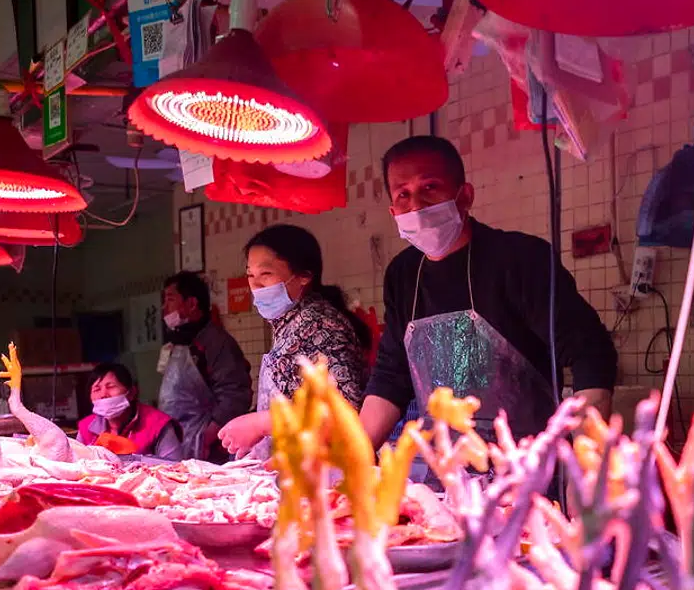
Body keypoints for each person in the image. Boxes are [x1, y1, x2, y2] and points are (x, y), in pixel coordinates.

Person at [359, 135, 617, 452]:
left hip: (530, 466)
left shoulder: (520, 258)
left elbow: (589, 351)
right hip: (449, 470)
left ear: (464, 195)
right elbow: (391, 374)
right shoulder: (402, 274)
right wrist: (350, 458)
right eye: (403, 194)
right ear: (392, 210)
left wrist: (589, 468)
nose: (416, 205)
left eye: (430, 187)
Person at [218, 225, 373, 459]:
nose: (255, 286)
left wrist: (261, 423)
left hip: (329, 475)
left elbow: (344, 415)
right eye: (251, 275)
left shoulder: (320, 324)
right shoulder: (290, 321)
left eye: (266, 275)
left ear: (304, 276)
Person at [159, 271, 253, 461]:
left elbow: (235, 395)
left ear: (192, 304)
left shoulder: (216, 342)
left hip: (206, 447)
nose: (164, 308)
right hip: (177, 440)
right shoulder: (178, 341)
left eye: (170, 300)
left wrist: (208, 436)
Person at [78, 363, 183, 460]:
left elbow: (175, 466)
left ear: (131, 393)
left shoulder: (158, 424)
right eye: (97, 390)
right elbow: (76, 465)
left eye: (110, 387)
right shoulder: (86, 427)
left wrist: (137, 460)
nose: (103, 395)